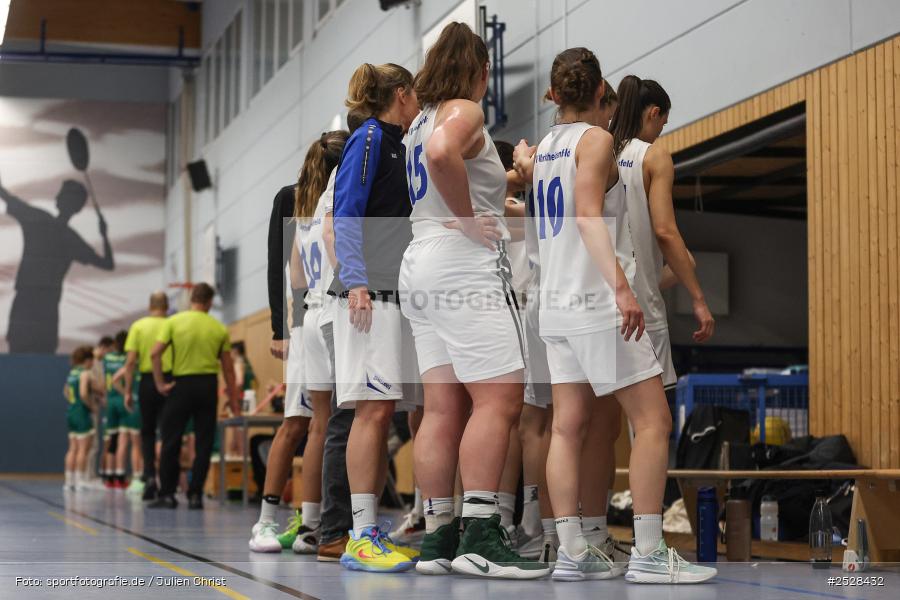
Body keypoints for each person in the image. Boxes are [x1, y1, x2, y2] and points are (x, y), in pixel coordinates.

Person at [531, 47, 715, 583]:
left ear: (554, 94)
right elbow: (589, 217)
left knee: (567, 428)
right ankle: (651, 554)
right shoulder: (596, 140)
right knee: (653, 420)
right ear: (597, 92)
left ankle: (570, 550)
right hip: (595, 299)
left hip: (555, 305)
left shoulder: (544, 149)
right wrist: (623, 288)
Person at [399, 22, 549, 580]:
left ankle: (438, 534)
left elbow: (437, 158)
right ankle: (482, 533)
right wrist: (466, 219)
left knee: (441, 407)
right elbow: (444, 155)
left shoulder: (417, 120)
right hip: (458, 260)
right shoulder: (463, 110)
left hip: (420, 259)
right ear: (481, 70)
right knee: (501, 398)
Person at [331, 62, 421, 573]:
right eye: (416, 96)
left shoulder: (394, 144)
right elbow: (347, 210)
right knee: (370, 410)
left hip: (392, 292)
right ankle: (361, 535)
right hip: (367, 294)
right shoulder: (366, 139)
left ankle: (369, 532)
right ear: (402, 94)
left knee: (382, 409)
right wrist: (358, 280)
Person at [250, 131, 348, 553]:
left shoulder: (313, 210)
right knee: (300, 423)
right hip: (317, 318)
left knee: (321, 426)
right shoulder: (302, 203)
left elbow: (294, 275)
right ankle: (267, 519)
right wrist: (279, 328)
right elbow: (282, 270)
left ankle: (311, 522)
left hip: (312, 316)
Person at [610, 75, 715, 390]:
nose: (659, 134)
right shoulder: (652, 156)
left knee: (599, 428)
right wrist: (698, 298)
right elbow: (665, 231)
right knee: (654, 423)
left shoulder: (598, 150)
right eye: (662, 124)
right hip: (640, 308)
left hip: (596, 303)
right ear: (653, 112)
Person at [149, 283, 240, 509]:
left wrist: (160, 383)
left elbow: (154, 354)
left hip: (181, 385)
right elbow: (229, 370)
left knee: (171, 440)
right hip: (207, 386)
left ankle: (167, 494)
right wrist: (236, 405)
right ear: (209, 302)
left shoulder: (173, 322)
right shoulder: (219, 328)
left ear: (191, 298)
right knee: (204, 442)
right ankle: (195, 494)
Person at [0, 177, 114, 353]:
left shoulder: (38, 219)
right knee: (43, 356)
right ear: (78, 208)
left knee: (18, 352)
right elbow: (107, 263)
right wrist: (104, 235)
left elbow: (6, 195)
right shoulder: (71, 238)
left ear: (58, 200)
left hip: (27, 302)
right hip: (47, 306)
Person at [122, 291, 173, 500]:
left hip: (147, 381)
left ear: (149, 305)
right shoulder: (172, 324)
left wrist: (127, 391)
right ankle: (167, 482)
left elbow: (130, 362)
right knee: (169, 433)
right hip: (170, 381)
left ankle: (149, 476)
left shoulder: (138, 326)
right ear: (167, 305)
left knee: (148, 433)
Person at [101, 330, 141, 490]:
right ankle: (138, 477)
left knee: (114, 442)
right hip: (128, 402)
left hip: (111, 401)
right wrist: (128, 393)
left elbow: (110, 379)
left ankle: (113, 476)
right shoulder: (130, 360)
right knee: (136, 442)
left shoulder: (107, 358)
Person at [64, 345, 97, 491]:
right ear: (88, 360)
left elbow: (65, 391)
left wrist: (73, 402)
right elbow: (84, 393)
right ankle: (80, 481)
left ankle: (69, 481)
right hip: (82, 413)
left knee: (73, 448)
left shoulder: (72, 373)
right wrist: (91, 406)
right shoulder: (84, 373)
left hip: (71, 411)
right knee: (84, 449)